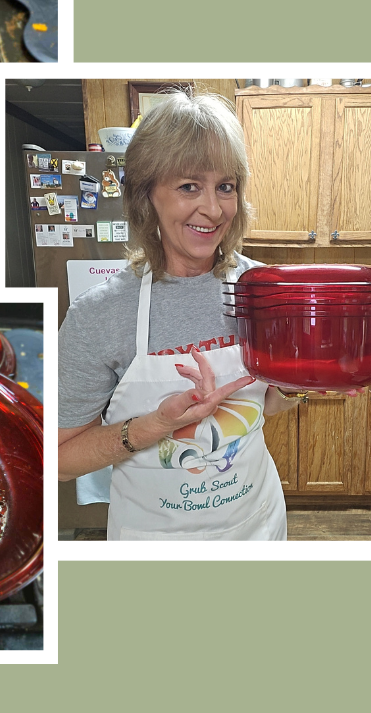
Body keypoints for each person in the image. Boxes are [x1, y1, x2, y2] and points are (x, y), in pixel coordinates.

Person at [58, 90, 306, 541]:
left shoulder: (267, 292)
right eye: (189, 186)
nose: (213, 209)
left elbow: (269, 404)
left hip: (256, 527)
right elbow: (56, 460)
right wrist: (158, 424)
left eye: (225, 186)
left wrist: (300, 383)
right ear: (146, 194)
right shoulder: (100, 314)